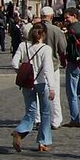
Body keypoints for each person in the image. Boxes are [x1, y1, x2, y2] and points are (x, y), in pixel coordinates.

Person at [11, 24, 59, 153]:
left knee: (31, 111)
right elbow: (48, 69)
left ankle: (20, 131)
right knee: (45, 113)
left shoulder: (23, 46)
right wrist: (52, 87)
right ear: (43, 35)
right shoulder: (45, 49)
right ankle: (43, 142)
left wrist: (21, 72)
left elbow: (14, 62)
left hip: (27, 83)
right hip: (41, 83)